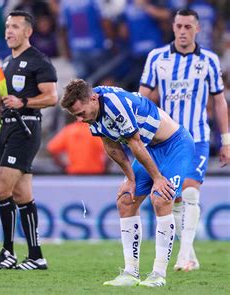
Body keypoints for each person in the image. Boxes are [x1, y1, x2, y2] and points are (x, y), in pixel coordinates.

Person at [60, 79, 194, 287]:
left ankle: (158, 274)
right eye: (75, 115)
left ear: (93, 98)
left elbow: (135, 143)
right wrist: (130, 179)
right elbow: (110, 145)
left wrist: (158, 178)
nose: (79, 119)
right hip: (149, 149)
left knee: (161, 198)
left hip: (175, 145)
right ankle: (130, 273)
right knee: (125, 200)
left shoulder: (115, 104)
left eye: (80, 113)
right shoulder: (92, 112)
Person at [139, 9, 230, 272]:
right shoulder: (157, 58)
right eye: (178, 26)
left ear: (198, 29)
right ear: (173, 27)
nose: (182, 31)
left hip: (198, 137)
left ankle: (183, 257)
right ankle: (188, 251)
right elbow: (143, 96)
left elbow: (219, 101)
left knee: (190, 192)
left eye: (188, 27)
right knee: (175, 199)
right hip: (167, 140)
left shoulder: (210, 60)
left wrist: (226, 141)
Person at [0, 11, 58, 270]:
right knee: (21, 194)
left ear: (28, 32)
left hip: (26, 129)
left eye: (15, 27)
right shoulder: (9, 62)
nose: (9, 31)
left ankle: (8, 252)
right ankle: (36, 256)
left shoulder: (39, 62)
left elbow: (52, 97)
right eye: (8, 26)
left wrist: (24, 102)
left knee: (1, 187)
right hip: (7, 129)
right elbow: (2, 100)